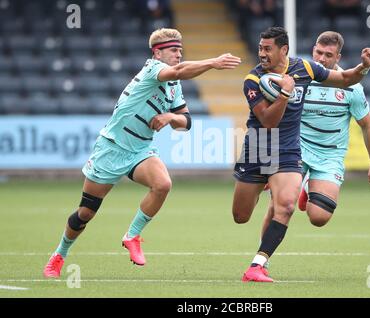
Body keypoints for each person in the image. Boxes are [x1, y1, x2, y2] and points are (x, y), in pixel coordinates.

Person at [43, 28, 241, 278]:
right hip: (112, 147)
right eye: (173, 50)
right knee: (86, 212)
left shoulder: (173, 85)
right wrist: (213, 62)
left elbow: (187, 122)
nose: (179, 54)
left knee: (163, 184)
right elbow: (179, 71)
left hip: (141, 148)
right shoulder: (152, 70)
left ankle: (132, 236)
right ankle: (59, 254)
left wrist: (171, 116)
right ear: (157, 53)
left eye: (180, 50)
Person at [231, 26, 370, 282]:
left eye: (267, 49)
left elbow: (345, 80)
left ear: (283, 50)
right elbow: (268, 122)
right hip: (258, 148)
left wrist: (363, 67)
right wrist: (286, 92)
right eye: (260, 48)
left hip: (288, 150)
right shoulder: (252, 80)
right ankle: (267, 190)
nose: (262, 54)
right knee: (240, 216)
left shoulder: (305, 69)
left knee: (285, 206)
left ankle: (257, 265)